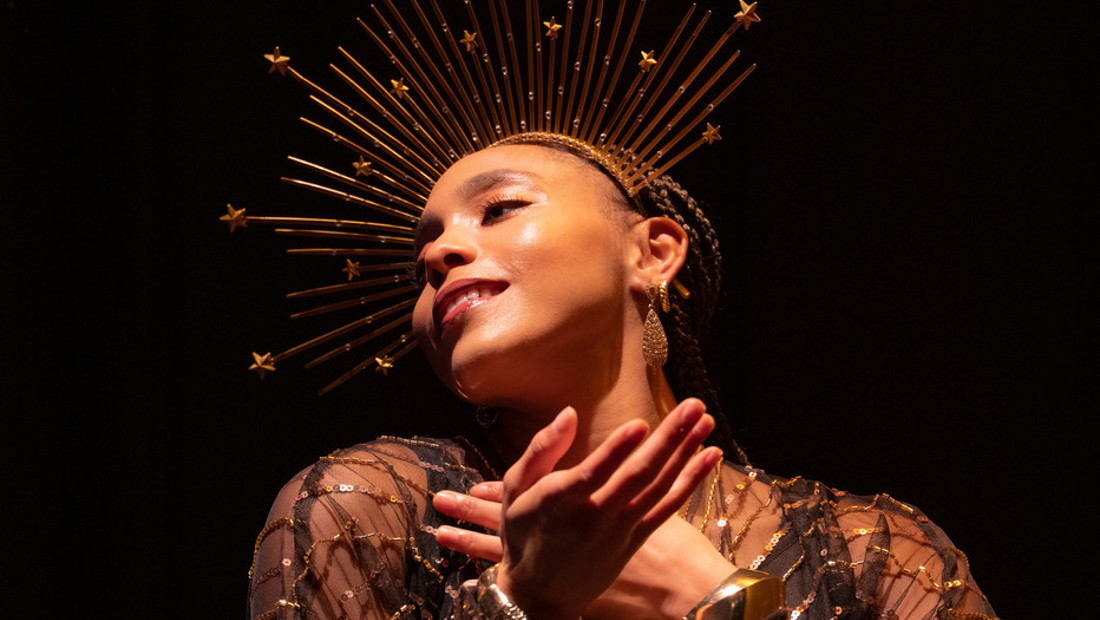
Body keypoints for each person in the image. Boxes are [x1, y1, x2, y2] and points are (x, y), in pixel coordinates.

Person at [243, 3, 997, 618]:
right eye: (421, 262)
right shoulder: (369, 509)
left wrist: (720, 599)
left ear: (653, 252)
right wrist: (521, 601)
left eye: (500, 209)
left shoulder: (873, 550)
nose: (440, 254)